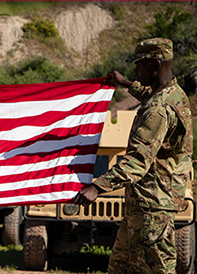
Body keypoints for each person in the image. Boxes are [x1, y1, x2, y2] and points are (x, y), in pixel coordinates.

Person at [74, 38, 193, 273]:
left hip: (153, 210)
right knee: (120, 268)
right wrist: (126, 83)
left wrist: (98, 187)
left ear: (155, 64)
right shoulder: (171, 93)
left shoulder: (159, 109)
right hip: (142, 206)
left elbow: (138, 161)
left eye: (140, 64)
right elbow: (151, 97)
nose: (135, 69)